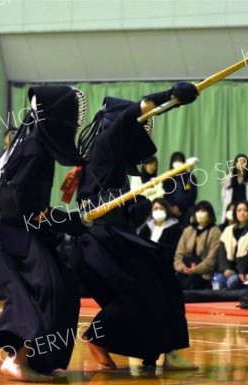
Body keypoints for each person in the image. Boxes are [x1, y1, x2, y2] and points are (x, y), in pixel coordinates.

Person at [70, 82, 199, 370]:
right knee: (138, 291)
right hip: (101, 240)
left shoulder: (114, 165)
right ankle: (96, 336)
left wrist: (146, 200)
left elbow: (127, 211)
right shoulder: (105, 145)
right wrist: (172, 97)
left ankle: (164, 351)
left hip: (111, 237)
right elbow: (133, 114)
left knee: (160, 281)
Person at [0, 86, 89, 381]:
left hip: (21, 231)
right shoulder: (34, 148)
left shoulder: (37, 146)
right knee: (39, 291)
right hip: (11, 234)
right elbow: (16, 200)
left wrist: (59, 220)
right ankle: (16, 360)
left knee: (63, 286)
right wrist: (63, 221)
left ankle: (40, 359)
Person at [173, 200, 222, 290]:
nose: (200, 214)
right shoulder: (188, 230)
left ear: (209, 213)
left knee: (188, 285)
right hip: (184, 270)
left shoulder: (215, 232)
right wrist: (182, 268)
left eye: (203, 211)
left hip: (204, 274)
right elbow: (178, 253)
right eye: (198, 211)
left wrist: (195, 270)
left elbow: (212, 258)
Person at [215, 200, 248, 290]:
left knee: (232, 282)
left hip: (245, 272)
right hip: (229, 269)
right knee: (217, 280)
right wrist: (225, 269)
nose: (242, 213)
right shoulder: (228, 230)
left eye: (245, 210)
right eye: (239, 210)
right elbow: (221, 253)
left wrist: (241, 272)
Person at [137, 198, 182, 268]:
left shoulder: (174, 228)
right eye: (155, 209)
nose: (158, 211)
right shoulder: (146, 227)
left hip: (163, 265)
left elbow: (172, 251)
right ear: (151, 211)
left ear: (166, 211)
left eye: (161, 209)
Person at [220, 153, 248, 223]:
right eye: (238, 162)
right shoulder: (228, 180)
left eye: (243, 162)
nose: (241, 164)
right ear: (235, 164)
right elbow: (224, 198)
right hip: (232, 213)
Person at [128, 155, 165, 229]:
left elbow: (160, 194)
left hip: (152, 205)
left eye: (155, 165)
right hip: (137, 204)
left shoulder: (157, 180)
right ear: (145, 165)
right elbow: (136, 192)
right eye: (150, 164)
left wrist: (146, 194)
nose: (152, 167)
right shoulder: (136, 177)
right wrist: (152, 191)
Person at [163, 152, 197, 225]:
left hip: (186, 210)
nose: (178, 163)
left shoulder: (190, 177)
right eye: (175, 161)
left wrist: (179, 207)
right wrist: (172, 207)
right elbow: (166, 194)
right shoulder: (166, 178)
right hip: (170, 210)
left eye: (180, 160)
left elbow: (192, 195)